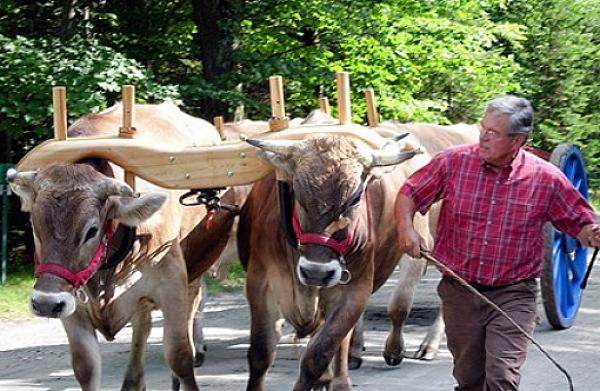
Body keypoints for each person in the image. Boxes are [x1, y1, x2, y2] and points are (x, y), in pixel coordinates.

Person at [395, 95, 600, 391]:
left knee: (502, 375)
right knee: (469, 380)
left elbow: (579, 222)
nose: (483, 137)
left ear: (518, 140)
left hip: (514, 294)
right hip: (459, 292)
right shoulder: (453, 162)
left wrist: (592, 232)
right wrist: (406, 228)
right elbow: (410, 192)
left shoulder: (546, 178)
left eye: (493, 133)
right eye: (483, 128)